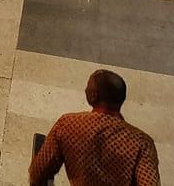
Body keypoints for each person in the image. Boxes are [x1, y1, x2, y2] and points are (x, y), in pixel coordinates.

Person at [29, 69, 159, 186]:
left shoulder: (68, 124)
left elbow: (38, 173)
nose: (85, 89)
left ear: (93, 96)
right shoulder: (142, 143)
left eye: (88, 87)